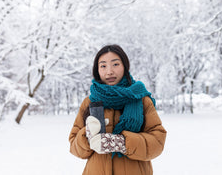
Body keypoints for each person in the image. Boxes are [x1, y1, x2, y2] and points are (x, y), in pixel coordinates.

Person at [69, 44, 167, 175]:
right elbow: (74, 146)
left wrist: (121, 143)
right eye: (103, 66)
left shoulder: (141, 99)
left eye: (115, 64)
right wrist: (87, 137)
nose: (109, 71)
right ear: (97, 70)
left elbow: (157, 142)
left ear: (125, 67)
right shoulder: (90, 102)